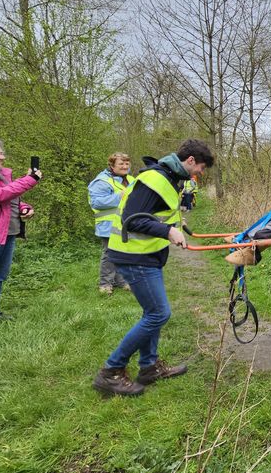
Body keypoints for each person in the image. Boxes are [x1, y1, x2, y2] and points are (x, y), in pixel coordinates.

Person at [92, 139, 214, 397]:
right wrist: (167, 231)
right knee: (158, 314)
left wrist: (178, 227)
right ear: (190, 160)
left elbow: (156, 214)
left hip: (146, 255)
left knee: (153, 312)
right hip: (133, 255)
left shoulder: (169, 177)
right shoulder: (156, 178)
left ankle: (149, 367)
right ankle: (111, 371)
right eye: (201, 168)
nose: (200, 173)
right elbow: (131, 220)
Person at [0, 139, 41, 338]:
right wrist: (29, 180)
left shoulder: (2, 175)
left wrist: (24, 208)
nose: (0, 156)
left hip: (8, 231)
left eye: (1, 153)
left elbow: (11, 199)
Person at [88, 153, 134, 295]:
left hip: (126, 225)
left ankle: (121, 281)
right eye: (121, 164)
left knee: (123, 253)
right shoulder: (102, 181)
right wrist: (118, 197)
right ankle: (105, 284)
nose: (125, 166)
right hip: (108, 226)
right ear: (112, 165)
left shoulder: (131, 179)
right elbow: (96, 202)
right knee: (110, 255)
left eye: (127, 163)